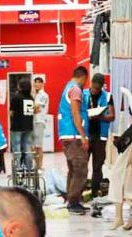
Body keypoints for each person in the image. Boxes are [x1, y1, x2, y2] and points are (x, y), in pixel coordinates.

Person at [57, 66, 90, 215]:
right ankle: (74, 202)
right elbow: (76, 114)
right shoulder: (76, 90)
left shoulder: (67, 87)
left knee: (73, 169)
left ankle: (70, 198)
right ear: (83, 77)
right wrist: (83, 135)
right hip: (74, 135)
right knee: (80, 170)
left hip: (66, 134)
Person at [82, 73, 115, 200]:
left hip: (100, 136)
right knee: (82, 166)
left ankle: (95, 194)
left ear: (102, 87)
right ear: (90, 84)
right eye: (93, 88)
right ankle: (81, 193)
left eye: (98, 89)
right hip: (85, 134)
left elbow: (112, 116)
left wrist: (100, 117)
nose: (95, 91)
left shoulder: (107, 96)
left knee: (97, 166)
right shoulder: (83, 94)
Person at [9, 78, 36, 172]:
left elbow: (11, 112)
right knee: (27, 147)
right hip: (28, 126)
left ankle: (18, 168)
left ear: (20, 87)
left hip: (17, 126)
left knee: (17, 148)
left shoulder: (16, 97)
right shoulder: (31, 98)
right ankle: (29, 167)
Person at [32, 76, 49, 170]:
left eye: (39, 82)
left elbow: (36, 108)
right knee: (34, 146)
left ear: (42, 84)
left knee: (38, 146)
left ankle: (39, 167)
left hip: (39, 121)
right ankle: (36, 165)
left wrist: (31, 109)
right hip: (34, 122)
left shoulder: (44, 95)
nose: (37, 84)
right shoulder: (35, 95)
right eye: (35, 82)